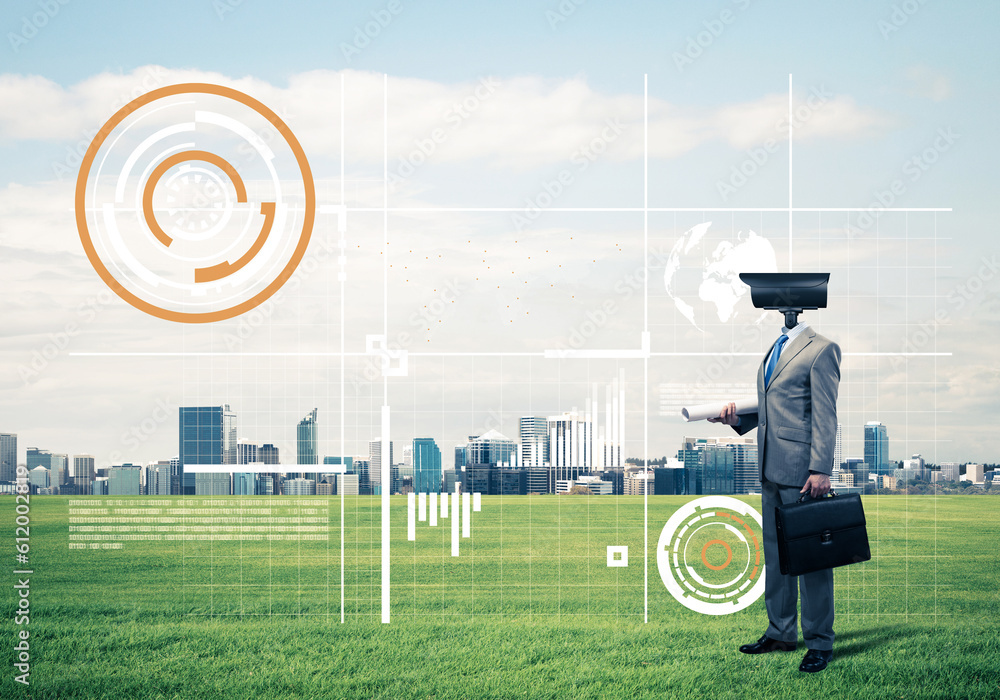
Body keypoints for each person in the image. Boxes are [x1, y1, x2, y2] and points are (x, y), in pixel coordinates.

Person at [709, 319, 841, 673]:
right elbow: (774, 407)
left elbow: (825, 414)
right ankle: (781, 632)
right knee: (777, 558)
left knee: (811, 561)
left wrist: (821, 469)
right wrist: (737, 421)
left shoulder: (822, 348)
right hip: (770, 467)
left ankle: (819, 643)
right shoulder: (775, 347)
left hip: (803, 471)